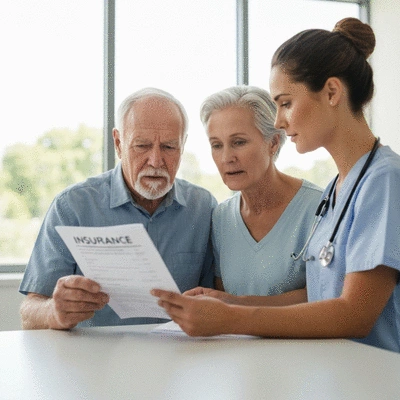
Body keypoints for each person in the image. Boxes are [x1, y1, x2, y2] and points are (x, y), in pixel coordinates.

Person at [152, 18, 400, 353]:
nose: (279, 122)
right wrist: (228, 303)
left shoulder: (384, 180)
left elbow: (353, 314)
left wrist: (231, 319)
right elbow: (320, 299)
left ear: (331, 92)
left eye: (285, 103)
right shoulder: (337, 190)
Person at [19, 87, 217, 330]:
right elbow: (29, 313)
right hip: (94, 362)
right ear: (118, 143)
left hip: (179, 358)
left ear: (183, 145)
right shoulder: (72, 207)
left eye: (168, 147)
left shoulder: (203, 207)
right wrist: (54, 312)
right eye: (142, 145)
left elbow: (217, 300)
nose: (155, 161)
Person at [199, 85, 322, 299]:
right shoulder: (221, 218)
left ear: (273, 143)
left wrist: (237, 307)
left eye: (238, 142)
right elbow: (222, 299)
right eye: (216, 145)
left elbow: (324, 296)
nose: (226, 157)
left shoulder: (318, 208)